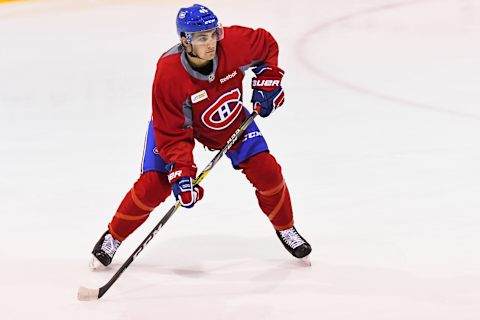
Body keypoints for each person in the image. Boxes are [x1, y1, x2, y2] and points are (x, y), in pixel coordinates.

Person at [90, 4, 312, 269]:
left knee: (268, 172)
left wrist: (268, 81)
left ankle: (286, 227)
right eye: (202, 37)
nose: (211, 43)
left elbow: (265, 44)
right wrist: (182, 174)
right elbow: (172, 133)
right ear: (185, 40)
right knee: (155, 183)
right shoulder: (168, 73)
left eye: (213, 34)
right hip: (176, 126)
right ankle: (114, 236)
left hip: (226, 116)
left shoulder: (235, 43)